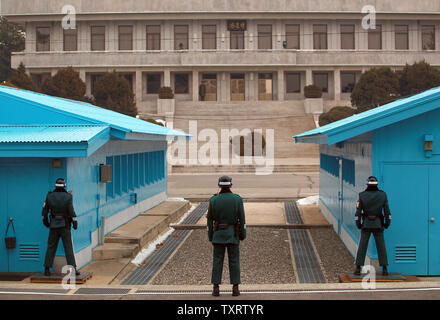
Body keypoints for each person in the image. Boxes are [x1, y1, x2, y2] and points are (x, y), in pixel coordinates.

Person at [207, 175, 246, 297]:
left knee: (217, 260)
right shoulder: (237, 199)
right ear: (231, 185)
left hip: (218, 234)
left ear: (219, 185)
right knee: (234, 261)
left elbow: (209, 221)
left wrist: (211, 236)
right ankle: (235, 288)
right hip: (232, 234)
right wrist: (242, 234)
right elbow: (242, 219)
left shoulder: (213, 200)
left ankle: (216, 288)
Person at [354, 176, 391, 276]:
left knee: (362, 246)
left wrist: (358, 224)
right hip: (378, 224)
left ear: (367, 184)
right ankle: (384, 268)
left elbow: (358, 212)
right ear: (377, 184)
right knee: (381, 246)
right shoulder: (383, 195)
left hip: (366, 224)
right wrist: (387, 223)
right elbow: (387, 211)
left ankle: (358, 267)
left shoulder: (361, 195)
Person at [42, 178, 79, 277]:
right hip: (65, 225)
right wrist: (75, 223)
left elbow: (44, 212)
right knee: (68, 247)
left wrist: (46, 223)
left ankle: (47, 269)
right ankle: (73, 269)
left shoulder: (49, 196)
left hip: (53, 225)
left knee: (51, 247)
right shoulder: (68, 197)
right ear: (64, 186)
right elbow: (71, 212)